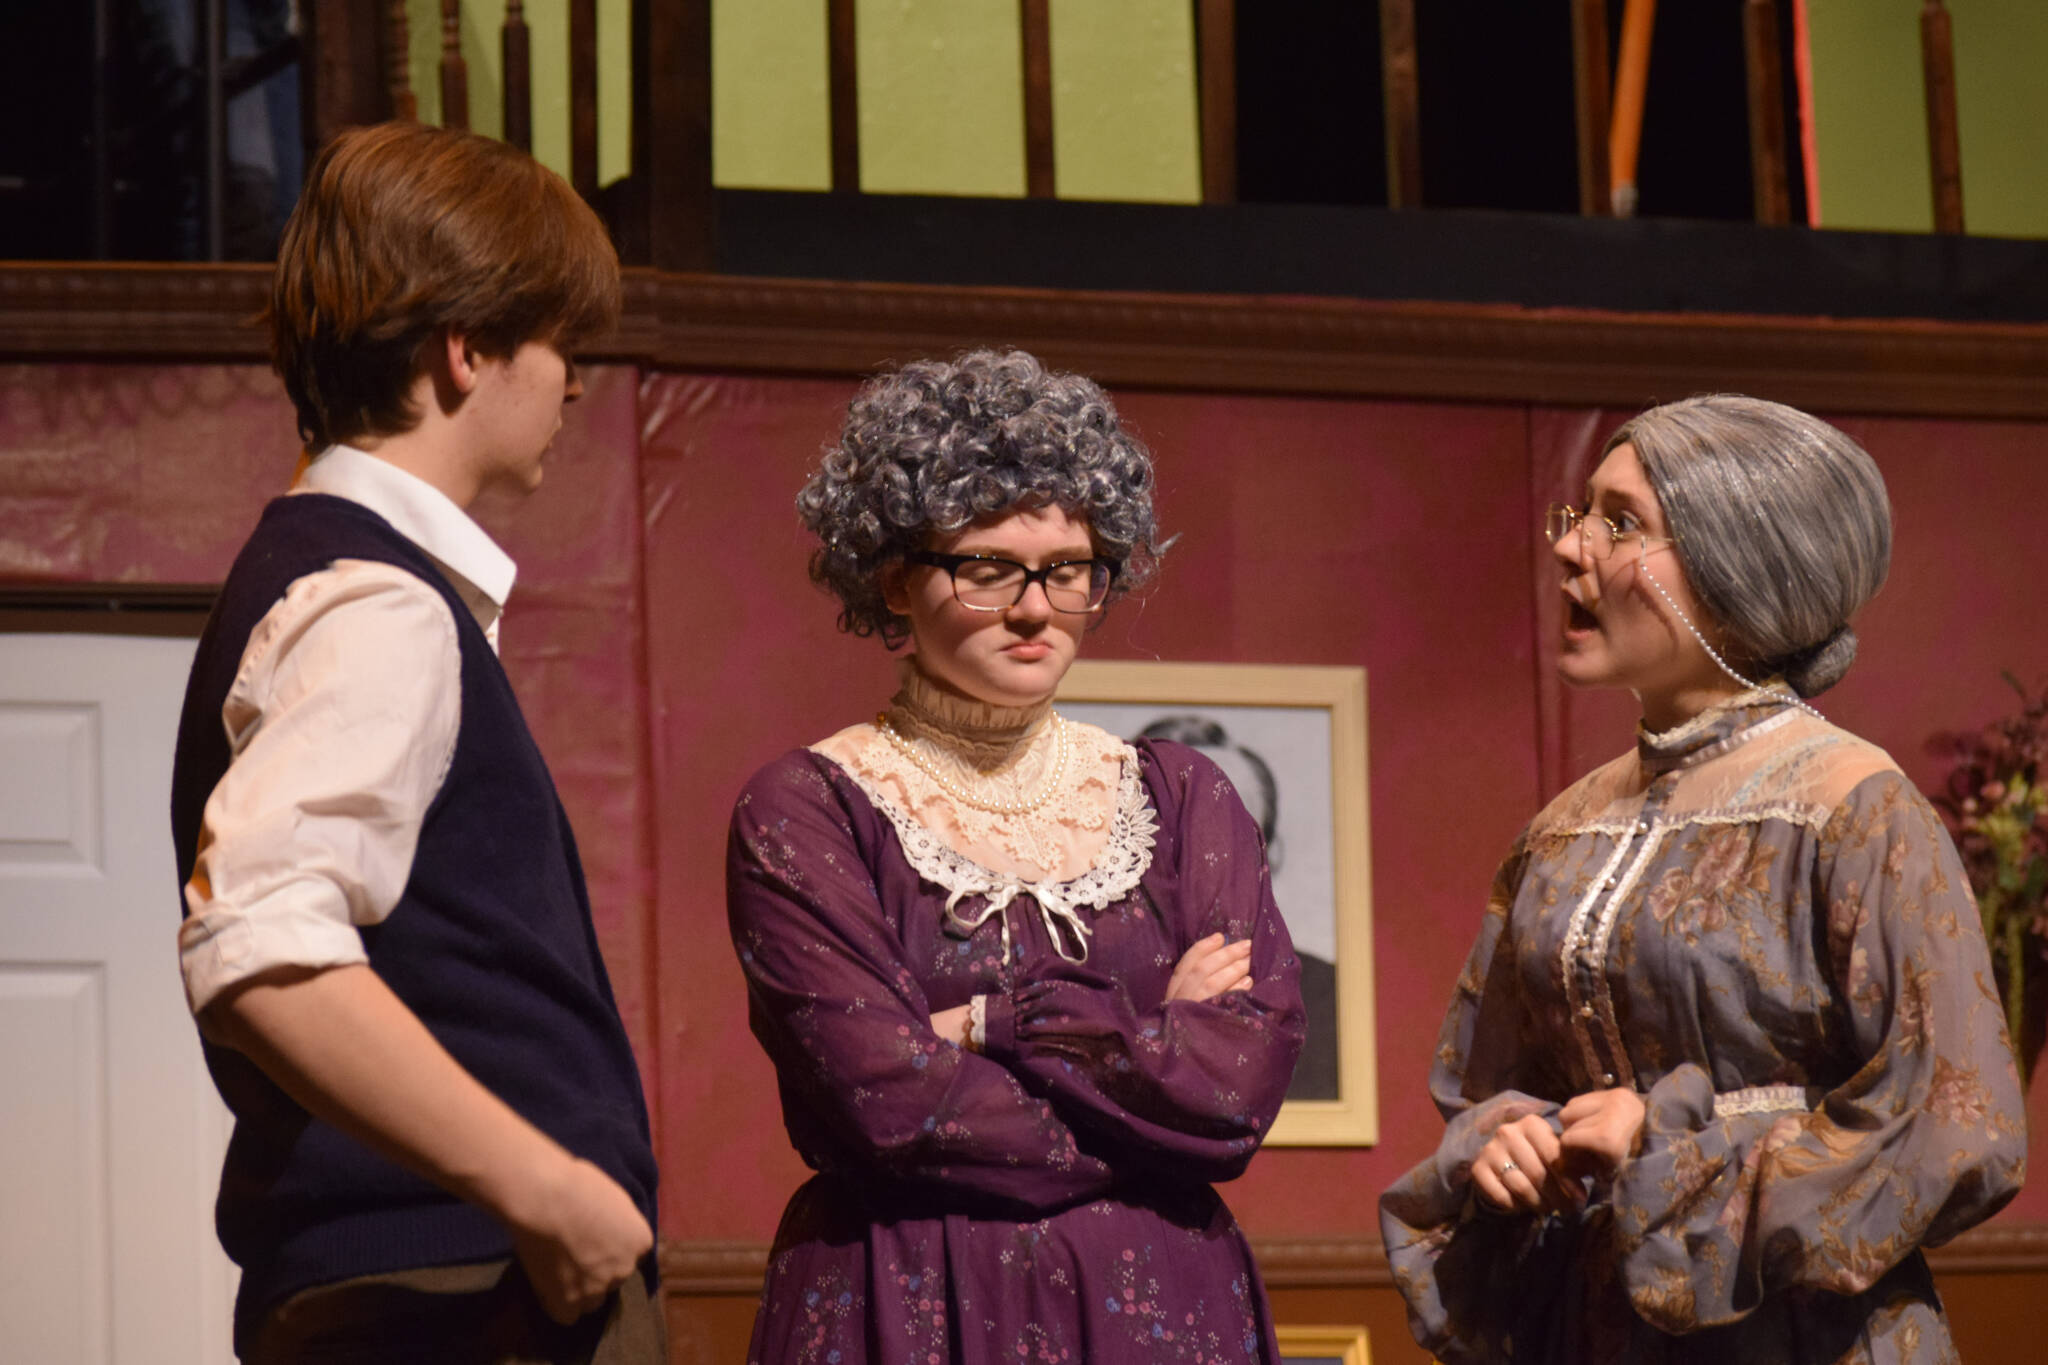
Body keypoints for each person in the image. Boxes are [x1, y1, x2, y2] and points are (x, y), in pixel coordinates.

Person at [1379, 394, 2027, 1364]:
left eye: (1621, 521)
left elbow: (1954, 1126)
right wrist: (1508, 1141)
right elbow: (1488, 1081)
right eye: (1579, 513)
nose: (1569, 548)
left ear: (1738, 566)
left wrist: (1676, 1144)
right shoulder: (1562, 829)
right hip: (1593, 1332)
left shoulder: (1848, 806)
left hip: (1798, 1337)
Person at [169, 122, 659, 1364]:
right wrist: (544, 1190)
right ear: (468, 348)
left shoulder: (342, 578)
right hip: (453, 1297)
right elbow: (263, 950)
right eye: (558, 344)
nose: (574, 384)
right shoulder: (375, 599)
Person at [726, 348, 1307, 1363]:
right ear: (893, 581)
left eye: (1067, 571)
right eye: (987, 568)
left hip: (1158, 1309)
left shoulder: (1180, 797)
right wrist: (1140, 1049)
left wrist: (990, 1028)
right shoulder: (807, 807)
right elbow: (886, 1103)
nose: (1035, 609)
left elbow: (1233, 1095)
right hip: (906, 1298)